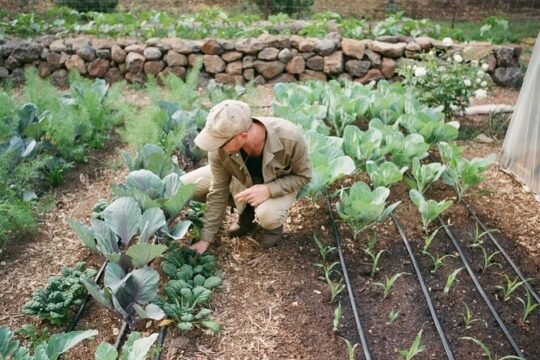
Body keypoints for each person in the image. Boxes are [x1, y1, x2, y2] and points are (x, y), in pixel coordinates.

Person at [180, 99, 312, 254]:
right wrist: (205, 238)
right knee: (182, 187)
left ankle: (272, 228)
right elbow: (218, 190)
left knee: (268, 216)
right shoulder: (219, 148)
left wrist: (269, 189)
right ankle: (246, 214)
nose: (215, 147)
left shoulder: (289, 138)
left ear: (242, 137)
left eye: (220, 143)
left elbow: (303, 176)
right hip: (241, 177)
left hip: (277, 182)